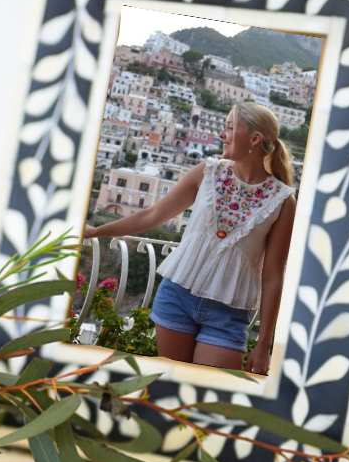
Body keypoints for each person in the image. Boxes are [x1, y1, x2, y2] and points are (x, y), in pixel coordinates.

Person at [82, 103, 296, 375]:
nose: (222, 134)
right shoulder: (208, 172)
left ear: (254, 139)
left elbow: (274, 274)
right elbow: (153, 215)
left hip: (228, 315)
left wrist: (264, 344)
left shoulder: (282, 200)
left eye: (230, 127)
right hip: (177, 297)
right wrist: (96, 232)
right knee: (172, 384)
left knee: (205, 399)